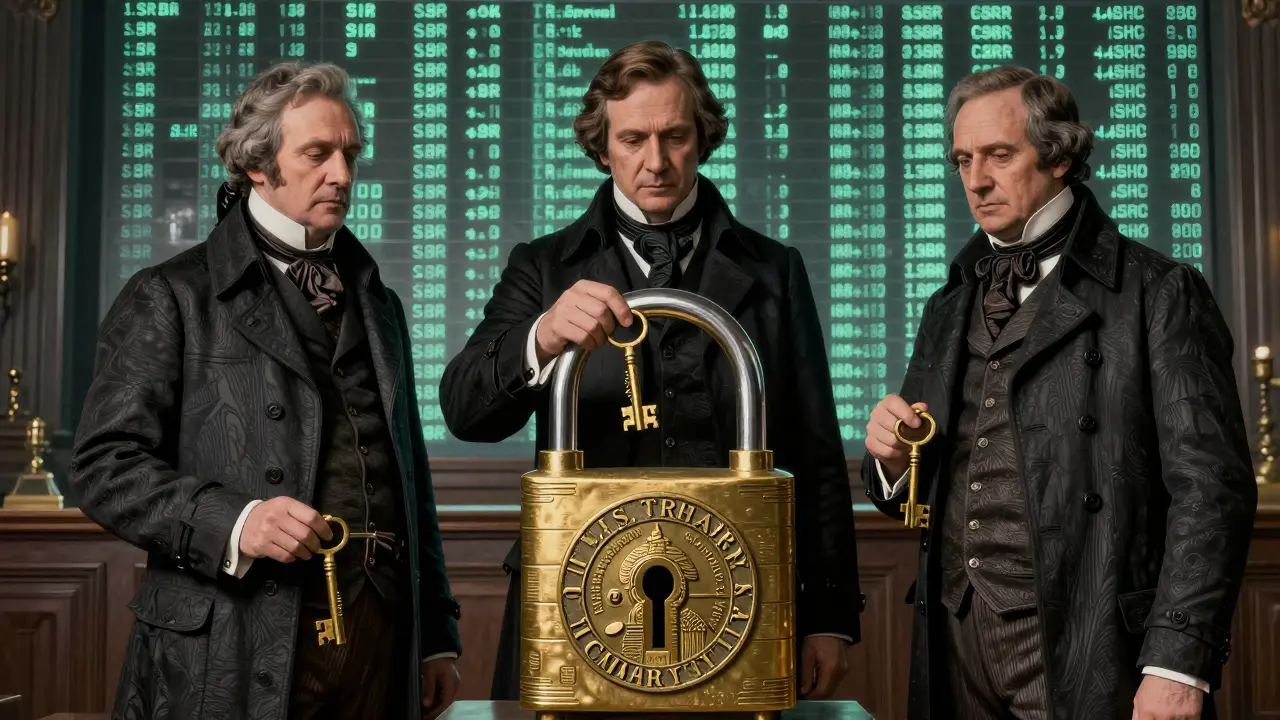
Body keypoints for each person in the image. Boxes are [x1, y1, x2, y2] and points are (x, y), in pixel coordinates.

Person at [439, 40, 862, 700]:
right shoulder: (544, 267)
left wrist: (832, 619)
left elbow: (816, 451)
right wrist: (543, 335)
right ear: (602, 146)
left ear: (703, 138)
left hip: (739, 603)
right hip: (574, 605)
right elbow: (464, 411)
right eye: (633, 139)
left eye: (675, 137)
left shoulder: (775, 270)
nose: (656, 162)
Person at [862, 66, 1257, 720]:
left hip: (1090, 645)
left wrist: (1177, 661)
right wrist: (891, 458)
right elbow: (911, 479)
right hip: (956, 644)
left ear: (1062, 156)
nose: (977, 180)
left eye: (999, 154)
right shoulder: (948, 304)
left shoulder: (1158, 291)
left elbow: (1213, 488)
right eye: (963, 160)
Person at [70, 62, 462, 720]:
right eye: (317, 154)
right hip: (232, 645)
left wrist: (437, 638)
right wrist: (237, 521)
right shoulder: (170, 295)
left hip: (377, 643)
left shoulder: (380, 304)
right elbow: (103, 465)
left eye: (350, 154)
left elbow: (409, 481)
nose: (341, 174)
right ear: (258, 163)